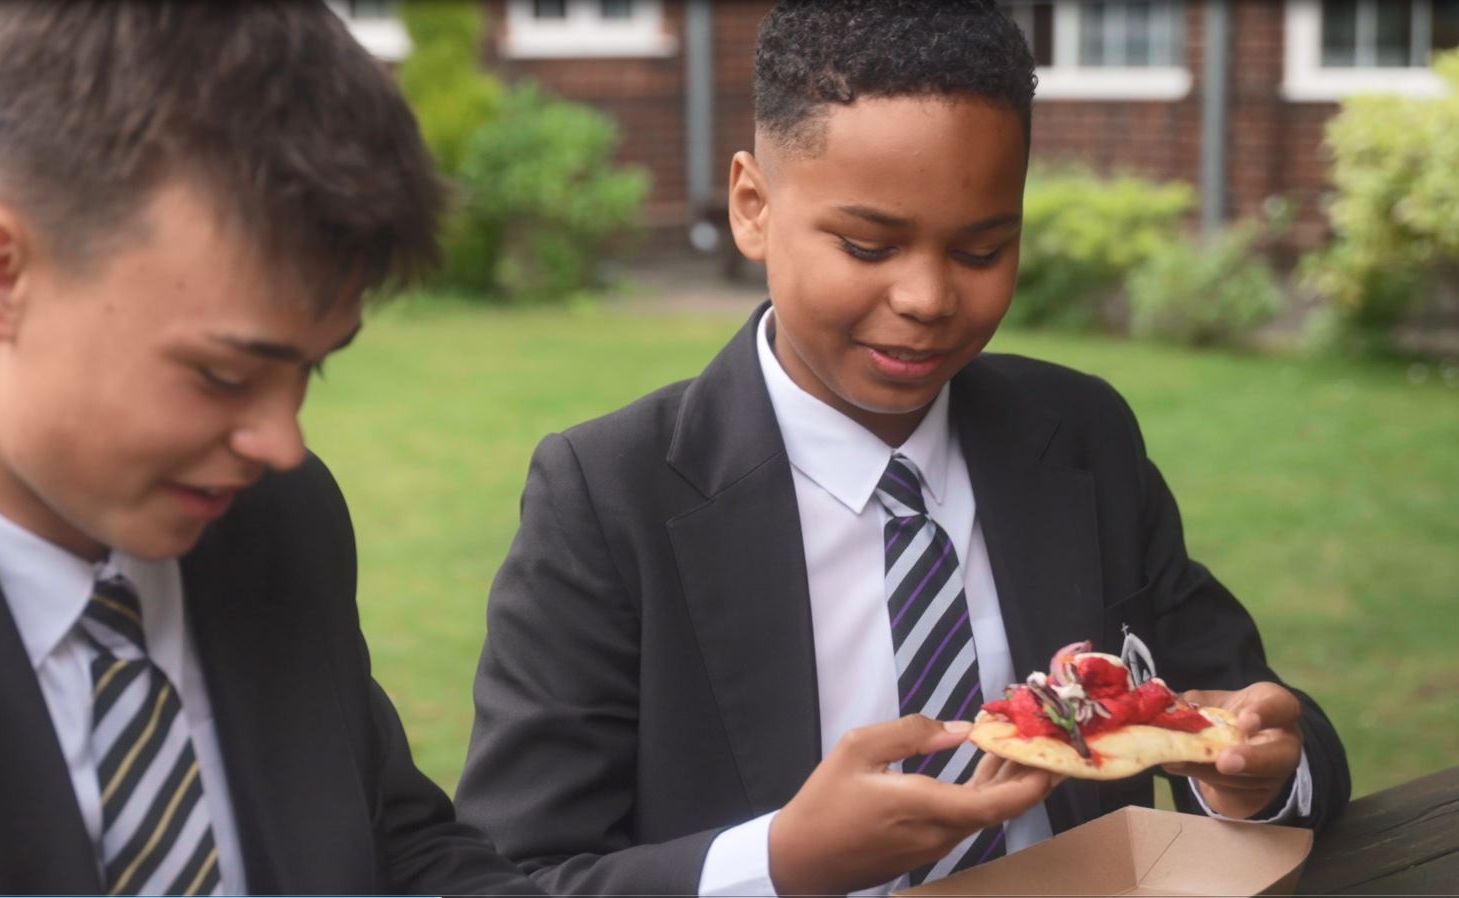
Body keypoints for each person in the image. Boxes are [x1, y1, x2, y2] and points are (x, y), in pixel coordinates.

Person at [454, 1, 1351, 894]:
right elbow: (515, 873)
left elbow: (1247, 719)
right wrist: (776, 862)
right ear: (752, 206)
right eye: (866, 244)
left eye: (980, 251)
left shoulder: (1076, 436)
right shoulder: (609, 498)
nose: (925, 298)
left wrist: (1258, 778)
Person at [0, 2, 538, 893]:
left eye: (312, 369)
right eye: (224, 375)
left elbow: (397, 849)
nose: (281, 443)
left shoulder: (277, 521)